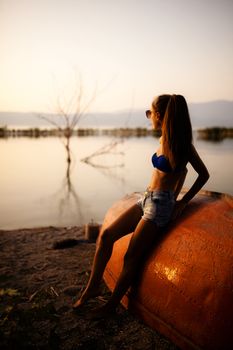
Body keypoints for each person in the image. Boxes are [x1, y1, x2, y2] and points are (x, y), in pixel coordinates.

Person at [73, 94, 209, 317]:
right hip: (146, 198)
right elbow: (177, 172)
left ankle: (110, 306)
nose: (148, 117)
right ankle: (93, 287)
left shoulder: (182, 145)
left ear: (158, 115)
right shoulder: (163, 139)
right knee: (106, 235)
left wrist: (183, 202)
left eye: (149, 113)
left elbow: (202, 174)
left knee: (132, 256)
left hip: (160, 207)